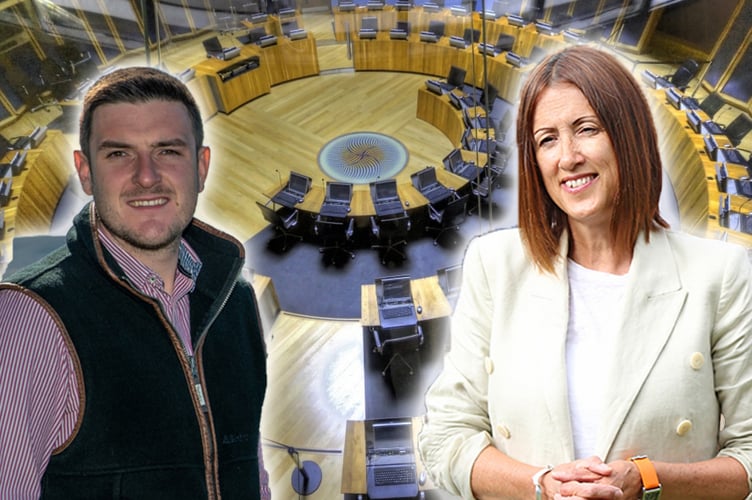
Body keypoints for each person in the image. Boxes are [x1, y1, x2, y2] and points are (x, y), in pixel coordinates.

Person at [419, 45, 752, 499]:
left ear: (629, 134)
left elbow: (750, 454)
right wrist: (541, 486)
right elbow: (444, 437)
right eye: (547, 140)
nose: (568, 157)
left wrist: (647, 480)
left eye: (586, 129)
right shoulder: (493, 264)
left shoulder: (720, 274)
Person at [0, 67, 270, 499]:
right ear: (85, 172)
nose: (147, 176)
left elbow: (248, 463)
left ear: (201, 167)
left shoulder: (235, 300)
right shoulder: (29, 320)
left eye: (167, 151)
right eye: (119, 154)